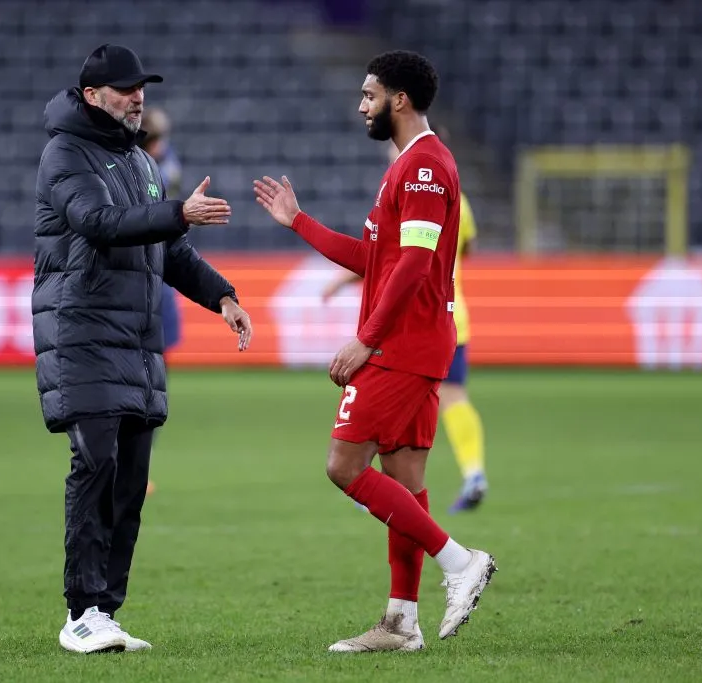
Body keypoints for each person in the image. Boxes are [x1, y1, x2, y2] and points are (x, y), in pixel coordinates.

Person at [253, 50, 497, 652]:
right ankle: (400, 623)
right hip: (416, 344)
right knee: (406, 479)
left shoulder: (424, 169)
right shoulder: (408, 166)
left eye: (369, 95)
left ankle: (460, 560)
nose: (361, 105)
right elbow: (376, 260)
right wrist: (300, 223)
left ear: (400, 100)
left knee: (344, 466)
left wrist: (367, 339)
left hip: (403, 346)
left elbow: (413, 266)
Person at [34, 43, 253, 654]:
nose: (138, 97)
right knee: (95, 464)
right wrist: (178, 212)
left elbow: (169, 251)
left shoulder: (138, 160)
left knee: (131, 481)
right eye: (127, 88)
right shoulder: (65, 154)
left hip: (134, 340)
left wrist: (223, 297)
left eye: (142, 88)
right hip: (81, 330)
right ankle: (80, 612)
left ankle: (106, 610)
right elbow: (98, 224)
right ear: (92, 96)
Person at [322, 128, 489, 514]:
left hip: (410, 325)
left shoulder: (414, 188)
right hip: (453, 318)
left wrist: (343, 285)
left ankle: (375, 488)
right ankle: (473, 471)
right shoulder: (460, 201)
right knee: (454, 398)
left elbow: (398, 263)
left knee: (384, 415)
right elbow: (464, 251)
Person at [138, 106, 184, 497]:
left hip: (159, 276)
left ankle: (142, 463)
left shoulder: (164, 165)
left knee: (156, 375)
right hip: (140, 277)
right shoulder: (141, 165)